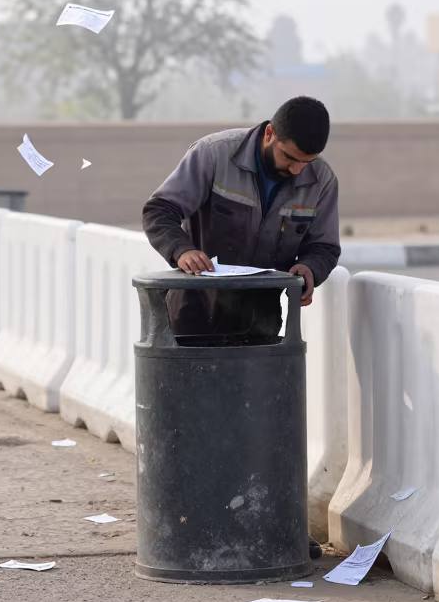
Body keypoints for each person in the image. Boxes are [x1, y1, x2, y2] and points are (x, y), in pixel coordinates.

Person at [142, 96, 341, 559]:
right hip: (193, 317)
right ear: (270, 133)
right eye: (290, 158)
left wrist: (309, 272)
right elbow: (159, 211)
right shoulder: (213, 155)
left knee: (258, 432)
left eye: (305, 163)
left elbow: (324, 247)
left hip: (260, 324)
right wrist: (181, 251)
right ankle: (190, 530)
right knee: (194, 431)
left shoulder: (321, 179)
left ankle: (265, 527)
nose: (296, 171)